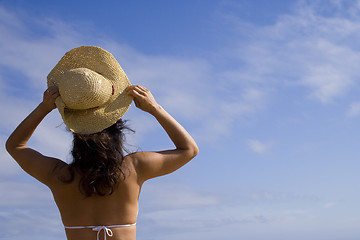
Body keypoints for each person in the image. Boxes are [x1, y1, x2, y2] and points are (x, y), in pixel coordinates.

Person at [5, 46, 199, 240]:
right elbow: (189, 150)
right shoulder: (134, 168)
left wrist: (43, 108)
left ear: (76, 132)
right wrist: (155, 108)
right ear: (117, 129)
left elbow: (15, 146)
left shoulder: (59, 175)